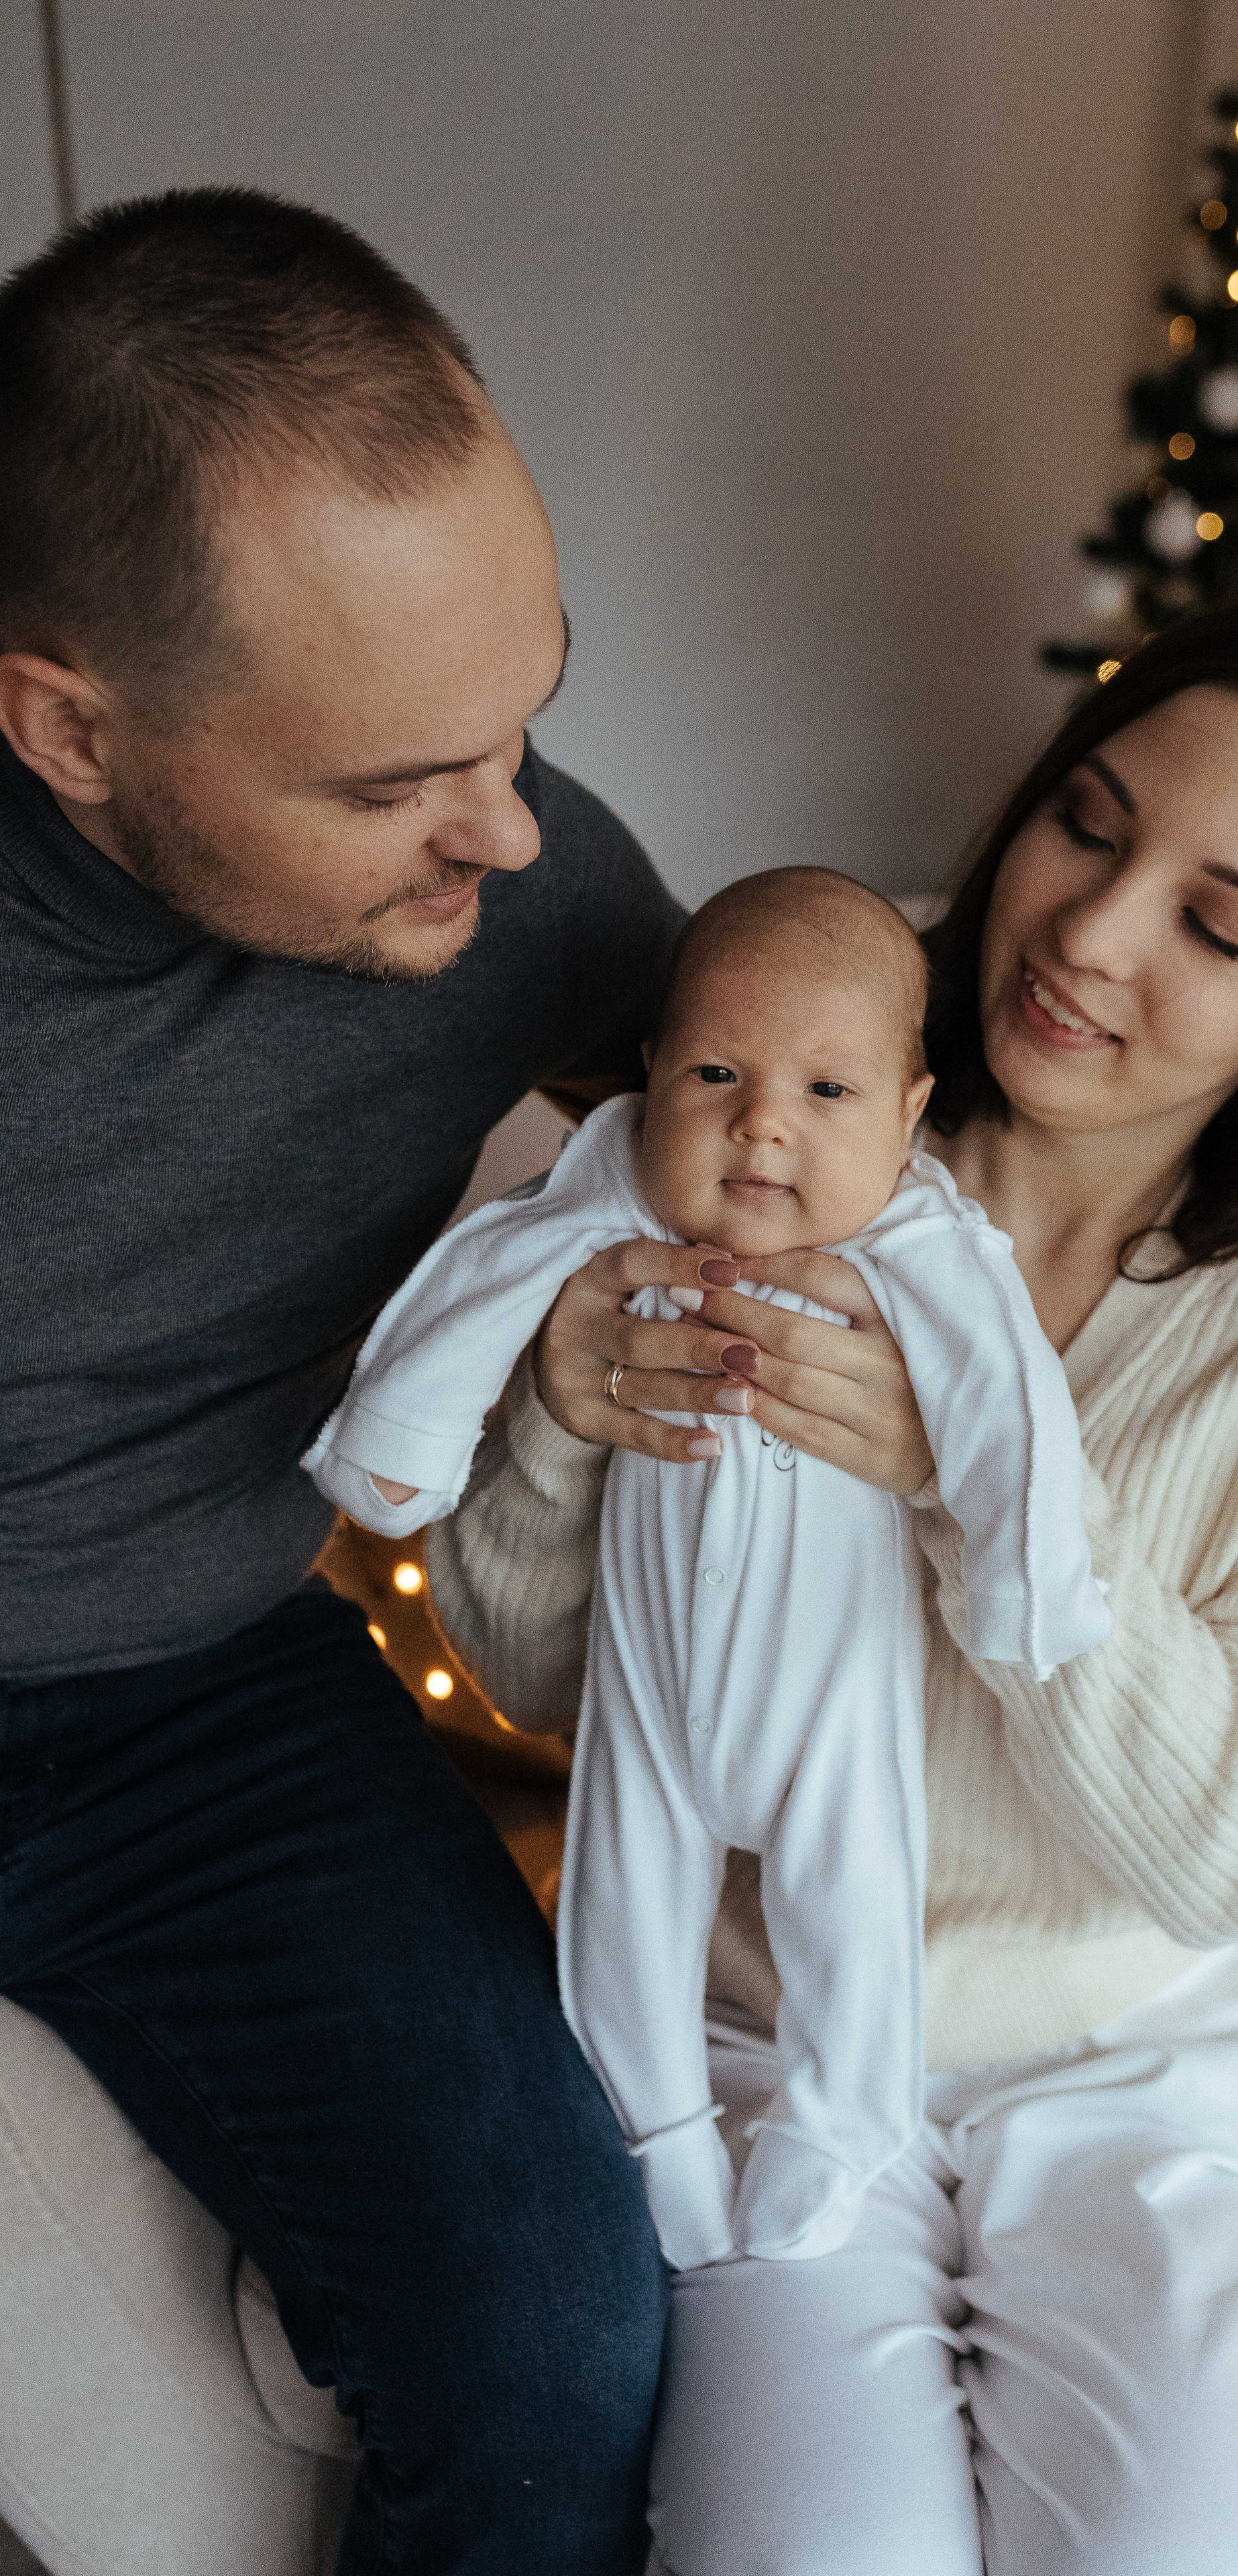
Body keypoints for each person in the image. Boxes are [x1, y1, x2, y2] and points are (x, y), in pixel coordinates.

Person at [425, 592, 1238, 2575]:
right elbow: (540, 1675)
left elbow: (1233, 1846)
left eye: (1218, 923)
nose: (1091, 933)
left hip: (1144, 2072)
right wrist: (562, 1425)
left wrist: (977, 1485)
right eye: (1089, 826)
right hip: (764, 2045)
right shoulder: (787, 1132)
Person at [0, 190, 684, 2573]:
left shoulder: (529, 886)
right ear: (71, 724)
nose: (503, 832)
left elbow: (845, 1108)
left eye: (531, 716)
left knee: (563, 2350)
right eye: (397, 781)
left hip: (215, 1695)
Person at [302, 867, 1108, 2274]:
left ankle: (840, 2122)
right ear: (653, 1078)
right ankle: (653, 2129)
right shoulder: (609, 1186)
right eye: (718, 1072)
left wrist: (1025, 1586)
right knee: (618, 1905)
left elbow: (1007, 1402)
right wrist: (395, 1448)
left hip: (829, 1698)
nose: (762, 1122)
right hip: (646, 1684)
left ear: (911, 1117)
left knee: (854, 1905)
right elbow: (483, 1271)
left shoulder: (919, 1242)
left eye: (828, 1092)